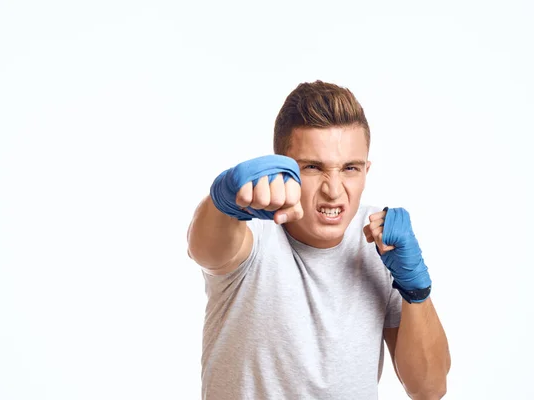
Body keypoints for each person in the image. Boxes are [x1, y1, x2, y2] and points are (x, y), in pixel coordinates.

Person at [186, 80, 451, 399]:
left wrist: (416, 287)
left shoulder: (379, 241)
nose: (334, 190)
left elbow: (429, 389)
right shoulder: (253, 230)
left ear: (367, 170)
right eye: (313, 167)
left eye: (350, 168)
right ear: (285, 168)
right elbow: (205, 249)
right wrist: (223, 204)